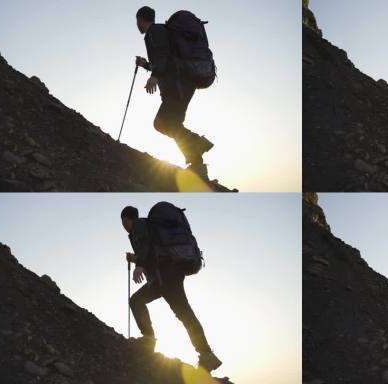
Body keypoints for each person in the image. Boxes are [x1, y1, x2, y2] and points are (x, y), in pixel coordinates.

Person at [121, 205, 222, 372]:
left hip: (166, 276)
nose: (123, 226)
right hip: (164, 277)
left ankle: (206, 355)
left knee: (183, 313)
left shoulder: (138, 226)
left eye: (123, 222)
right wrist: (135, 259)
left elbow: (146, 247)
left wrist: (138, 264)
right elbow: (151, 252)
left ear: (125, 219)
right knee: (138, 301)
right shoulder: (146, 226)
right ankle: (150, 339)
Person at [134, 6, 213, 177]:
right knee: (172, 124)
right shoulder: (160, 31)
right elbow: (166, 61)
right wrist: (145, 65)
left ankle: (199, 144)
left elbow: (163, 54)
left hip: (178, 86)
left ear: (140, 19)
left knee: (162, 124)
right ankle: (197, 165)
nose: (137, 25)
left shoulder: (155, 31)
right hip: (182, 84)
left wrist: (154, 76)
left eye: (137, 21)